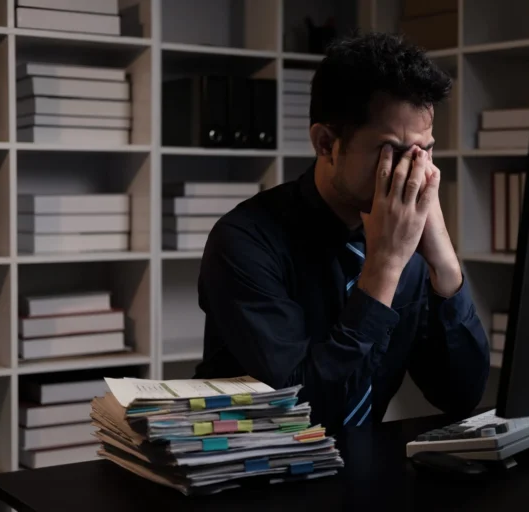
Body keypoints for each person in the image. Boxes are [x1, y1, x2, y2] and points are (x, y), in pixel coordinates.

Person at [195, 32, 490, 431]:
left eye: (424, 151)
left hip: (363, 476)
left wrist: (445, 265)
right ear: (326, 143)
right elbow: (304, 414)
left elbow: (459, 395)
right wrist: (384, 267)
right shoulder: (244, 241)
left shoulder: (414, 249)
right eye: (393, 152)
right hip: (257, 475)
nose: (414, 174)